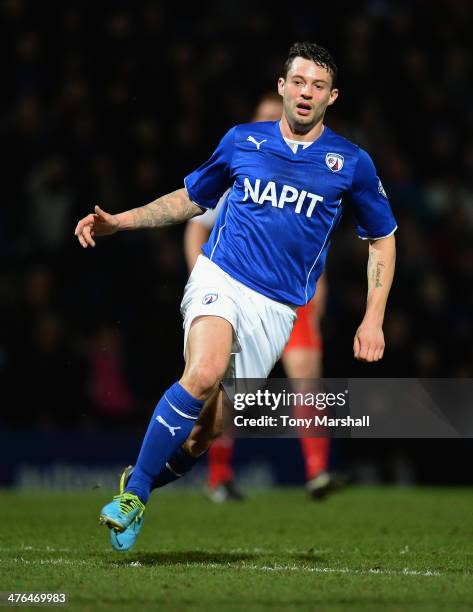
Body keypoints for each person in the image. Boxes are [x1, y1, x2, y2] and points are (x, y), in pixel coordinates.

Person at [75, 42, 397, 551]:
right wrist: (122, 221)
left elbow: (382, 238)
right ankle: (135, 494)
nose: (305, 92)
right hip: (220, 279)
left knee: (206, 434)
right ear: (282, 87)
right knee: (202, 372)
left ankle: (140, 478)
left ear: (332, 96)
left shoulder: (350, 163)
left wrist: (373, 317)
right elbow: (190, 199)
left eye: (317, 85)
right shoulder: (242, 141)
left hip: (276, 310)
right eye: (298, 82)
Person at [184, 92, 335, 501]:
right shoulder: (241, 175)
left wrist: (318, 288)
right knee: (232, 392)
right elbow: (195, 226)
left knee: (307, 381)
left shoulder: (310, 175)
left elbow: (314, 242)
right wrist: (205, 283)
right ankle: (217, 476)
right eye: (268, 118)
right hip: (239, 296)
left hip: (291, 300)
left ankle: (317, 472)